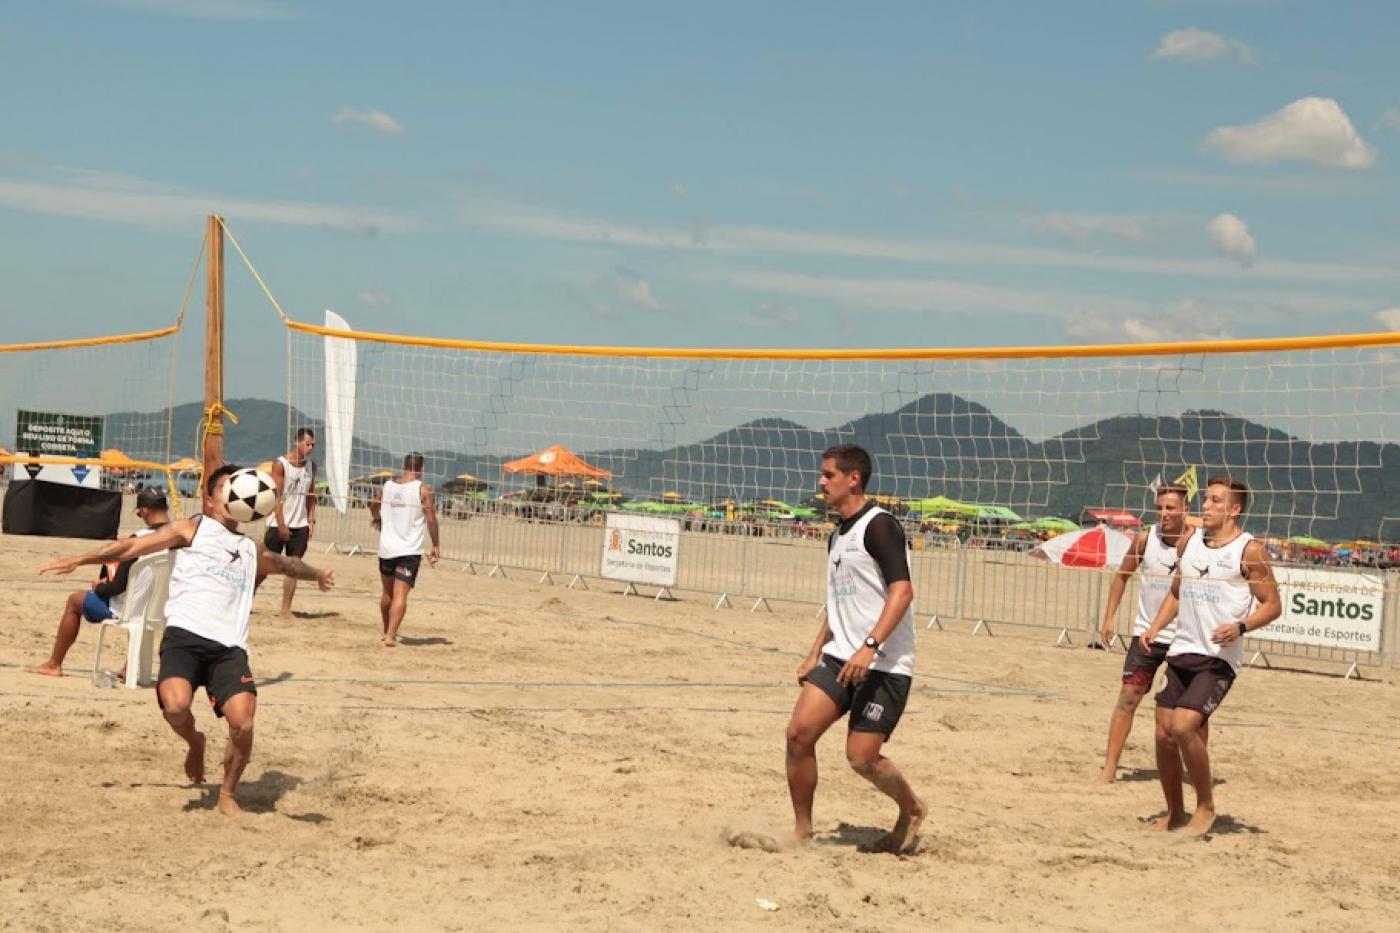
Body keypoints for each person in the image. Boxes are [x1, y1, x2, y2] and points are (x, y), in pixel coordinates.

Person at [39, 464, 335, 816]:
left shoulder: (250, 548)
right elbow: (132, 547)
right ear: (208, 500)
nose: (231, 495)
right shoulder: (191, 529)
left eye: (235, 488)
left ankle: (227, 794)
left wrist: (317, 573)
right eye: (224, 488)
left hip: (228, 647)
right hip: (184, 637)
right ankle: (195, 742)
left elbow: (287, 565)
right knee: (176, 706)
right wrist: (80, 559)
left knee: (243, 722)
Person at [784, 444, 926, 854]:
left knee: (861, 758)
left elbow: (902, 591)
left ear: (853, 479)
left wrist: (869, 647)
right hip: (840, 656)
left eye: (828, 475)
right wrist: (814, 652)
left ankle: (912, 808)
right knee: (798, 735)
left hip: (884, 663)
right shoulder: (837, 534)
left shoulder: (879, 526)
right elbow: (839, 602)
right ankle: (803, 831)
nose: (821, 482)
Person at [1140, 475, 1281, 835]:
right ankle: (1175, 813)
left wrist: (1241, 626)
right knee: (1162, 735)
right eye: (1205, 499)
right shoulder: (1189, 542)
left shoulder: (1250, 550)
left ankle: (1206, 807)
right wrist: (1155, 628)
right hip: (1183, 647)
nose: (1207, 505)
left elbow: (1272, 605)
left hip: (1218, 657)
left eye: (1216, 500)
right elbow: (1176, 592)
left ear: (1234, 509)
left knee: (1184, 726)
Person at [1094, 485, 1195, 783]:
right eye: (1160, 507)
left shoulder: (1196, 543)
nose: (1164, 513)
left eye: (1171, 508)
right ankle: (1110, 768)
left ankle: (1193, 770)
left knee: (1186, 713)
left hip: (1186, 638)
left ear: (1185, 510)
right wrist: (1109, 618)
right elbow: (1122, 577)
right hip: (1147, 635)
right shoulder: (1144, 539)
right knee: (1128, 697)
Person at [28, 487, 172, 677]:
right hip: (163, 610)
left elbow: (116, 588)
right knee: (141, 596)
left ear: (144, 511)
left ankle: (54, 664)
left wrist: (98, 586)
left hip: (129, 611)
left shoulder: (139, 539)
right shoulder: (182, 538)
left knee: (74, 601)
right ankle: (129, 666)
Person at [368, 453, 440, 647]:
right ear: (421, 469)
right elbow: (431, 519)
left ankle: (386, 631)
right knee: (400, 595)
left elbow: (373, 505)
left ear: (404, 466)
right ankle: (391, 635)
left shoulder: (387, 485)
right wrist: (436, 545)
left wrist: (377, 518)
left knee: (387, 594)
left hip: (387, 548)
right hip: (409, 550)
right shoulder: (423, 489)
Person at [265, 428, 318, 618]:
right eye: (307, 444)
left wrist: (311, 519)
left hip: (300, 524)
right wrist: (281, 524)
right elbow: (276, 496)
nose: (310, 448)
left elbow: (311, 495)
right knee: (264, 567)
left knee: (294, 567)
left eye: (312, 444)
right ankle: (245, 603)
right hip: (278, 523)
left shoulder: (312, 466)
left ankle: (285, 610)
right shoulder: (281, 464)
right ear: (297, 442)